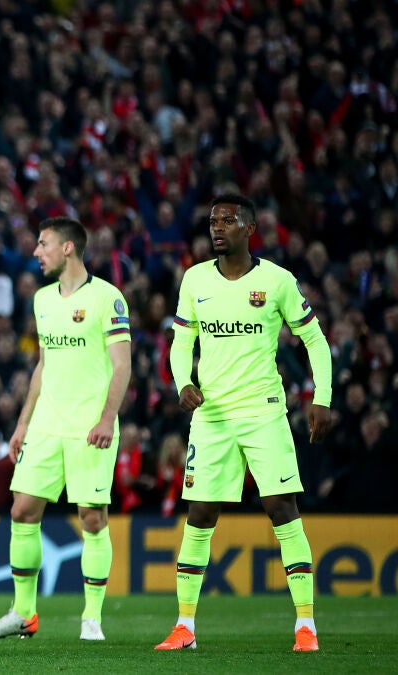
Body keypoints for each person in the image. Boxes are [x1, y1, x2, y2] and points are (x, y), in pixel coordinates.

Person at [155, 194, 332, 653]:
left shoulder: (277, 280)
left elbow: (314, 339)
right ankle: (184, 627)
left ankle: (306, 626)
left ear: (250, 228)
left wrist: (322, 398)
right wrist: (182, 383)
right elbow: (181, 342)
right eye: (213, 220)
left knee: (281, 508)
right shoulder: (195, 279)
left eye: (228, 220)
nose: (218, 227)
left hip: (263, 412)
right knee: (199, 514)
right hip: (211, 416)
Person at [0, 217, 132, 642]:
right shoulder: (42, 299)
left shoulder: (107, 298)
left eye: (43, 244)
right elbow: (43, 366)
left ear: (68, 248)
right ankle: (23, 613)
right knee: (22, 511)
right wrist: (23, 423)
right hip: (46, 425)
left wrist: (107, 418)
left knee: (92, 518)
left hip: (90, 427)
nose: (36, 252)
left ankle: (91, 618)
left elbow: (122, 364)